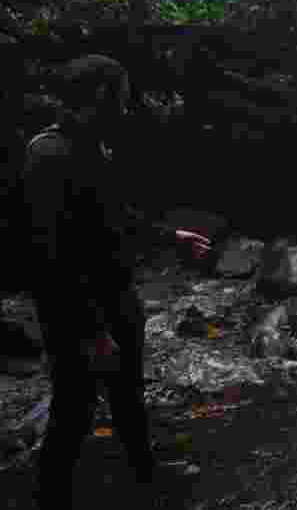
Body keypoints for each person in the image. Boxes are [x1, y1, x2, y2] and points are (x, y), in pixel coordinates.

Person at [23, 55, 211, 508]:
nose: (127, 108)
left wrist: (171, 237)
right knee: (73, 410)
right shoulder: (50, 154)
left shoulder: (91, 146)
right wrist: (91, 329)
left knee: (128, 392)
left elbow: (113, 217)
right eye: (122, 96)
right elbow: (54, 254)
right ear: (101, 97)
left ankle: (144, 474)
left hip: (116, 293)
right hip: (79, 307)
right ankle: (53, 497)